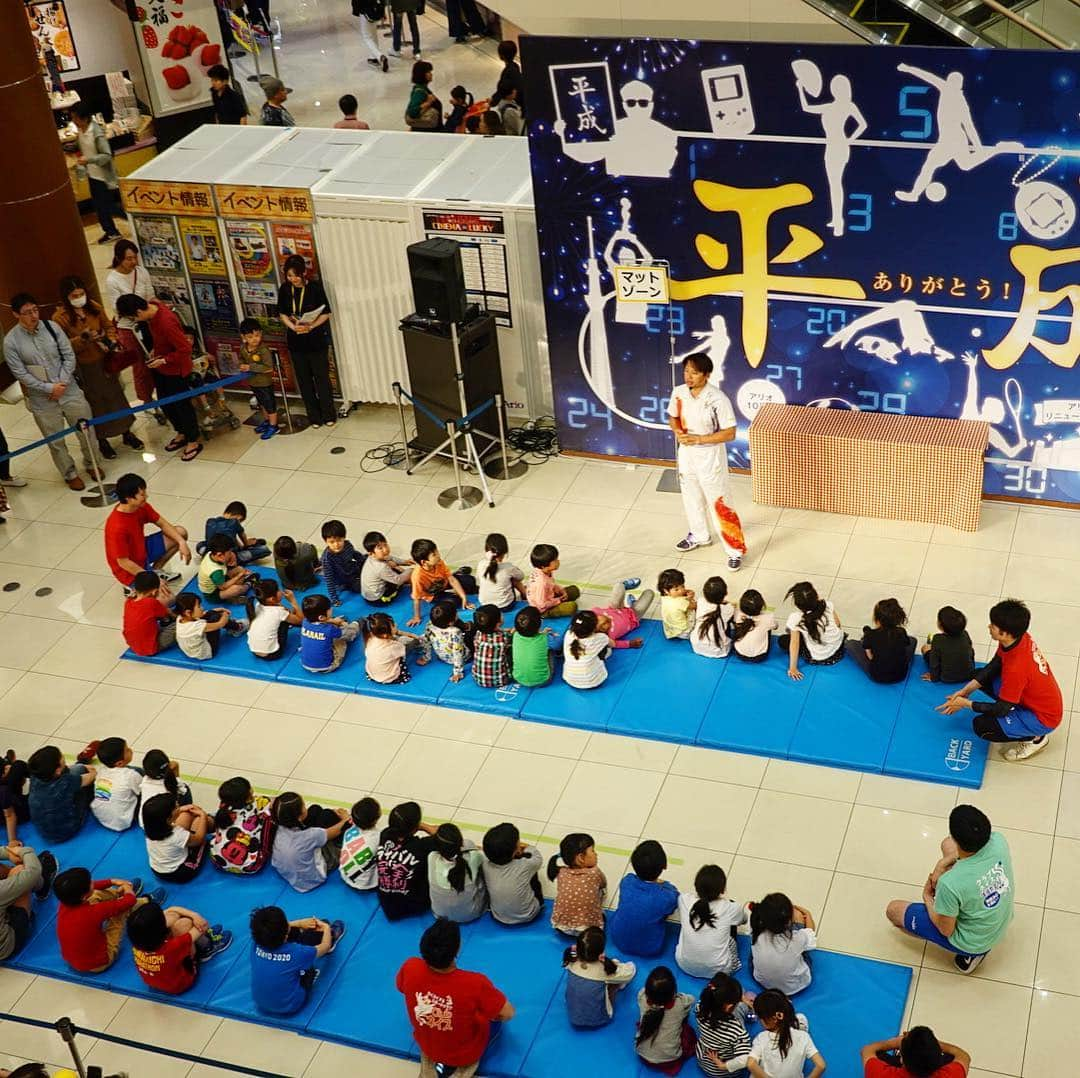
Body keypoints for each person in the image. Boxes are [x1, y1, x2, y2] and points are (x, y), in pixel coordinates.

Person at [886, 804, 1013, 974]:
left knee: (893, 911)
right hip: (1002, 918)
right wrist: (942, 864)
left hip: (975, 941)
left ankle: (973, 954)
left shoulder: (949, 884)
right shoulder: (999, 841)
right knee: (946, 845)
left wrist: (928, 899)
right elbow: (955, 851)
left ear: (956, 837)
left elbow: (946, 929)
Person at [936, 598, 1062, 761]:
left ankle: (1036, 738)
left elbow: (1001, 709)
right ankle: (1018, 717)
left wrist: (965, 704)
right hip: (1031, 696)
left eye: (993, 626)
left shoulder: (1016, 669)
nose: (989, 627)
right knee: (977, 675)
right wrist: (966, 691)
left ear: (1005, 633)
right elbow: (996, 663)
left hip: (1043, 717)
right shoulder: (1018, 638)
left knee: (982, 727)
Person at [3, 292, 98, 490]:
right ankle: (69, 473)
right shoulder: (11, 341)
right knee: (55, 440)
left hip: (69, 389)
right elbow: (20, 373)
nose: (33, 316)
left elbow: (68, 356)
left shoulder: (52, 328)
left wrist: (61, 384)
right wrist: (49, 388)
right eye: (27, 312)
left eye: (35, 310)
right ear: (16, 314)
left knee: (86, 429)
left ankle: (92, 464)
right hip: (42, 398)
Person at [396, 918, 514, 1076]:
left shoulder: (410, 966)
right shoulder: (475, 984)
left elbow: (401, 987)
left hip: (427, 1045)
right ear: (457, 950)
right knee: (494, 1018)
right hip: (464, 1054)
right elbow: (508, 1013)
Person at [667, 354, 745, 567]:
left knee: (719, 501)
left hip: (710, 455)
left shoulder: (717, 399)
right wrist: (677, 432)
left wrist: (700, 439)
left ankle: (734, 550)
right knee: (691, 495)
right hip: (687, 452)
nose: (689, 377)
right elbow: (672, 416)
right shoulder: (679, 393)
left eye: (694, 372)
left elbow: (730, 433)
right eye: (686, 371)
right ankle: (699, 535)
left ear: (707, 375)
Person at [53, 275, 143, 459]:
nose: (79, 297)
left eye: (81, 293)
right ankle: (102, 440)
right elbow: (62, 346)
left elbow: (109, 326)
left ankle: (127, 432)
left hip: (106, 360)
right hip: (85, 367)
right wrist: (83, 339)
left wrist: (110, 338)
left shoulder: (94, 307)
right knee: (96, 403)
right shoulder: (60, 319)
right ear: (67, 297)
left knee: (116, 397)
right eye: (75, 295)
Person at [114, 294, 203, 461]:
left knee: (182, 406)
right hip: (162, 369)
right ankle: (181, 432)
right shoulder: (153, 306)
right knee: (166, 403)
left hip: (176, 370)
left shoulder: (166, 322)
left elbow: (185, 349)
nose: (135, 320)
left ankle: (193, 440)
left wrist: (164, 359)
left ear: (139, 311)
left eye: (134, 316)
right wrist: (157, 351)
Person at [54, 868, 163, 973]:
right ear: (83, 897)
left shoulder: (66, 901)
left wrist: (112, 881)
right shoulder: (94, 912)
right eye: (90, 882)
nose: (93, 882)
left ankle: (120, 893)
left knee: (95, 894)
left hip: (72, 960)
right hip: (99, 963)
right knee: (121, 912)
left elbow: (91, 888)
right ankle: (146, 900)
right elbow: (130, 901)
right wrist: (128, 890)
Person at [250, 905, 346, 1015]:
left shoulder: (256, 943)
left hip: (260, 1002)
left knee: (296, 935)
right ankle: (331, 935)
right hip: (291, 1005)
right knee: (308, 961)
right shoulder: (297, 953)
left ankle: (306, 934)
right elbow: (325, 946)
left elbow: (281, 932)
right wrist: (325, 928)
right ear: (285, 934)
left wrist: (299, 924)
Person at [105, 473, 190, 592]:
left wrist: (181, 542)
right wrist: (150, 579)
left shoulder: (140, 507)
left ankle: (155, 571)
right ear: (129, 498)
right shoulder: (117, 527)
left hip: (142, 550)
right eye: (142, 494)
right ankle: (133, 586)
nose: (146, 496)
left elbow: (162, 523)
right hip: (128, 569)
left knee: (180, 533)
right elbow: (123, 562)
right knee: (164, 600)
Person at [127, 899, 232, 994]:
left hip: (154, 981)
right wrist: (195, 916)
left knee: (172, 916)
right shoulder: (173, 947)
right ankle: (206, 947)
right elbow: (203, 925)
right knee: (185, 923)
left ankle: (199, 941)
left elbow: (171, 910)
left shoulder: (138, 940)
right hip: (181, 983)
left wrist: (190, 915)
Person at [277, 254, 334, 427]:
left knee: (322, 378)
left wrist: (312, 326)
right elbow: (282, 313)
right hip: (296, 341)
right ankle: (314, 417)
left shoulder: (315, 288)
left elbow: (326, 313)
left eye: (295, 275)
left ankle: (328, 415)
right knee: (304, 380)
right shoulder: (285, 289)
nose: (292, 279)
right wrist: (293, 327)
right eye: (289, 276)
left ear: (303, 273)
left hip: (316, 340)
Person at [104, 240, 158, 413]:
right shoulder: (113, 280)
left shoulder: (141, 272)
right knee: (140, 365)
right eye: (128, 258)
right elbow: (116, 307)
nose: (133, 262)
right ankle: (146, 399)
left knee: (154, 358)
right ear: (119, 258)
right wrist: (136, 312)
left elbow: (150, 294)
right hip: (128, 328)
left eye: (135, 258)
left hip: (147, 322)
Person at [675, 863, 746, 979]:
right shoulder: (730, 908)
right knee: (731, 926)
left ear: (696, 886)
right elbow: (744, 920)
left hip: (684, 964)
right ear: (722, 890)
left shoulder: (684, 900)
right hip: (720, 972)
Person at [609, 840, 678, 958]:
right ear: (664, 866)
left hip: (617, 939)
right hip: (650, 948)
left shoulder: (627, 881)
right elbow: (675, 896)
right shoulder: (665, 897)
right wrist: (664, 884)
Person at [271, 792, 349, 893]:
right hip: (313, 878)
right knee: (328, 816)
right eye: (303, 805)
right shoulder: (311, 835)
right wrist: (346, 818)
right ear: (299, 816)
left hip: (286, 871)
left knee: (315, 809)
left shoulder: (278, 824)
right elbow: (339, 829)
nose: (305, 807)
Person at [69, 102, 124, 243]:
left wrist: (89, 160)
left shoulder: (96, 133)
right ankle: (111, 232)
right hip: (93, 175)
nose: (73, 121)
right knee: (100, 207)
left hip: (104, 177)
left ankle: (127, 222)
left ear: (85, 118)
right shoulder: (82, 131)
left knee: (111, 207)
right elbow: (80, 144)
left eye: (75, 118)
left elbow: (106, 155)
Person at [563, 925, 635, 1028]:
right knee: (616, 981)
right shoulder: (602, 969)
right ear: (601, 952)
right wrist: (624, 966)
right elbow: (629, 974)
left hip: (572, 1015)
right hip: (598, 1019)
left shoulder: (571, 959)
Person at [377, 800, 439, 920]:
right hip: (414, 904)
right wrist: (423, 826)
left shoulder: (385, 835)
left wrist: (415, 826)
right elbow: (443, 836)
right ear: (415, 828)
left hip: (386, 901)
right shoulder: (423, 846)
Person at [750, 893, 817, 995]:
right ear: (788, 922)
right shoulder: (796, 940)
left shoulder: (756, 930)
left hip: (763, 983)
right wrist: (808, 914)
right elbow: (811, 933)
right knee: (804, 944)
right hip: (794, 986)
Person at [748, 990, 825, 1078]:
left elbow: (751, 1064)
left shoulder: (761, 1038)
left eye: (760, 1018)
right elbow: (821, 1065)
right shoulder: (803, 1037)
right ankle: (796, 1024)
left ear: (772, 1019)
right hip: (796, 1034)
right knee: (800, 1019)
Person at [635, 966, 697, 1074]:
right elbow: (692, 999)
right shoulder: (680, 1004)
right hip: (669, 1060)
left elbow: (644, 992)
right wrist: (678, 996)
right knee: (689, 1033)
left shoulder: (642, 997)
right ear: (674, 992)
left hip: (642, 1054)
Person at [27, 746, 95, 843]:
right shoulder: (66, 782)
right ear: (57, 770)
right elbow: (90, 777)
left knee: (77, 771)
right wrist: (93, 770)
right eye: (61, 756)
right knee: (83, 778)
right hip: (67, 830)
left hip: (44, 832)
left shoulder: (35, 775)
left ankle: (81, 763)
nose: (63, 757)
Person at [779, 581, 845, 680]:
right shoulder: (827, 604)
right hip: (838, 649)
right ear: (817, 596)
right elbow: (838, 624)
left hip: (819, 657)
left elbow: (794, 644)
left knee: (783, 640)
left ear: (797, 605)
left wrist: (793, 668)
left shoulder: (795, 618)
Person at [1, 842, 54, 962]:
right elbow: (32, 873)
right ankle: (43, 885)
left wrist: (8, 852)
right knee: (20, 871)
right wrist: (23, 851)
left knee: (15, 875)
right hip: (7, 946)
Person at [481, 821, 543, 926]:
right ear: (515, 850)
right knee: (529, 862)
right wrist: (526, 847)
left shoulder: (484, 864)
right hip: (529, 915)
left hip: (498, 916)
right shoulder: (524, 865)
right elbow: (537, 858)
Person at [209, 777, 274, 874]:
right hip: (250, 866)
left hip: (217, 859)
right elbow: (275, 802)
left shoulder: (224, 806)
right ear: (249, 796)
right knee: (270, 820)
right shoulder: (260, 803)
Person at [695, 973, 755, 1077]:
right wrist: (723, 1066)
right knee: (741, 1009)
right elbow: (745, 1059)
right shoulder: (737, 1030)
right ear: (729, 1006)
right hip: (723, 1071)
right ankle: (750, 1010)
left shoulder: (699, 1008)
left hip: (705, 1060)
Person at [847, 597, 918, 684]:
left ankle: (863, 640)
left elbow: (870, 657)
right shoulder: (901, 632)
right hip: (901, 675)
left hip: (878, 676)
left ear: (877, 619)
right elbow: (906, 644)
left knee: (850, 644)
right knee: (913, 640)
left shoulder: (871, 635)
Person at [142, 794, 211, 882]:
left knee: (186, 815)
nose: (179, 807)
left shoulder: (151, 827)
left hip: (157, 870)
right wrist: (203, 816)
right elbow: (199, 839)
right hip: (179, 872)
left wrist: (182, 809)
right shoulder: (176, 835)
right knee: (203, 841)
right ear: (168, 819)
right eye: (176, 807)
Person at [407, 538, 475, 626]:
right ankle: (457, 579)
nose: (439, 555)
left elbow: (452, 580)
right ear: (424, 562)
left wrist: (463, 597)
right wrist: (417, 616)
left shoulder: (438, 562)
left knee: (470, 581)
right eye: (434, 554)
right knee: (453, 603)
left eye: (437, 551)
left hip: (445, 583)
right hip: (434, 594)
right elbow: (416, 599)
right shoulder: (417, 576)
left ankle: (458, 573)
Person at [548, 832, 605, 935]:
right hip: (586, 929)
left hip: (561, 926)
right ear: (580, 858)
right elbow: (603, 884)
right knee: (601, 891)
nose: (596, 854)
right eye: (592, 851)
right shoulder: (594, 872)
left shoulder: (561, 872)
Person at [428, 822, 487, 923]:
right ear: (460, 843)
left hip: (439, 914)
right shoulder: (474, 857)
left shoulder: (432, 857)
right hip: (470, 915)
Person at [861, 1027, 971, 1077]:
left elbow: (867, 1050)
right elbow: (963, 1056)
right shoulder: (953, 1075)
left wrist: (896, 1042)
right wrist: (933, 1044)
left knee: (878, 1053)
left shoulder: (879, 1074)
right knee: (951, 1056)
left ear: (902, 1059)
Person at [88, 737, 143, 831]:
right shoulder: (131, 775)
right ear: (120, 763)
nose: (130, 750)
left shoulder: (101, 771)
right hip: (123, 821)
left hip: (100, 815)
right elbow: (143, 791)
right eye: (127, 750)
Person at [238, 318, 279, 439]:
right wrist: (241, 365)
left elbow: (268, 367)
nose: (254, 339)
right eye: (250, 337)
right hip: (253, 382)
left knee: (269, 404)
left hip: (264, 382)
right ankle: (266, 421)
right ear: (244, 337)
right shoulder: (243, 348)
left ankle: (274, 425)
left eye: (257, 335)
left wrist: (250, 367)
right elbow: (241, 358)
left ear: (261, 334)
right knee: (261, 403)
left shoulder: (263, 350)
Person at [300, 593, 361, 674]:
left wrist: (332, 621)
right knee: (342, 639)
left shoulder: (305, 622)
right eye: (329, 609)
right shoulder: (329, 629)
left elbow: (321, 622)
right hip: (327, 666)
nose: (331, 609)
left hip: (305, 664)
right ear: (321, 617)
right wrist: (355, 624)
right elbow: (348, 635)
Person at [175, 592, 248, 660]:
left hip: (190, 651)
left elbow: (203, 614)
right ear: (188, 612)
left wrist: (216, 610)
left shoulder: (181, 617)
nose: (202, 608)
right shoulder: (196, 626)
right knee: (216, 617)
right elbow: (220, 624)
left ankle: (231, 625)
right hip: (206, 652)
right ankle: (238, 627)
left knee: (212, 614)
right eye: (199, 606)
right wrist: (225, 615)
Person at [122, 570, 177, 656]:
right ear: (155, 591)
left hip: (133, 645)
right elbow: (168, 614)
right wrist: (181, 617)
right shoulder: (151, 603)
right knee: (180, 625)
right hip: (150, 648)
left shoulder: (128, 602)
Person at [363, 611, 428, 684]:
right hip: (390, 677)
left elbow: (394, 634)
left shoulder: (370, 638)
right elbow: (403, 649)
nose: (396, 624)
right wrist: (415, 639)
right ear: (385, 634)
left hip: (373, 674)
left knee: (397, 638)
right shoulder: (393, 646)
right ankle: (419, 645)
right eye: (393, 625)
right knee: (406, 640)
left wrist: (406, 633)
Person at [247, 578, 303, 661]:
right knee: (286, 620)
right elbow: (301, 620)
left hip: (254, 651)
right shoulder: (279, 612)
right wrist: (293, 601)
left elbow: (283, 610)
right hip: (272, 654)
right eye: (278, 590)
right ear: (272, 599)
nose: (281, 591)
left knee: (285, 616)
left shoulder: (258, 604)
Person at [201, 501, 270, 565]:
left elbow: (226, 535)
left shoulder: (210, 521)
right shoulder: (234, 522)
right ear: (239, 517)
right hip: (227, 558)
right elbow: (242, 536)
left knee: (200, 545)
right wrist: (246, 544)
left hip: (210, 555)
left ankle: (203, 553)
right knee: (264, 549)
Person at [921, 605, 975, 684]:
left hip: (947, 678)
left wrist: (934, 677)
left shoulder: (937, 639)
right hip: (969, 674)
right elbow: (971, 653)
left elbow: (934, 663)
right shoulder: (965, 634)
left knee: (925, 648)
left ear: (940, 625)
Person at [424, 598, 474, 682]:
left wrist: (426, 657)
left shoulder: (429, 624)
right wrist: (457, 672)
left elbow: (426, 640)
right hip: (464, 657)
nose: (457, 613)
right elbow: (457, 652)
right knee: (472, 628)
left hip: (441, 657)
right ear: (450, 622)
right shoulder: (455, 632)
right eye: (456, 613)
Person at [196, 535, 255, 604]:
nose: (231, 554)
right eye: (229, 553)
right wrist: (240, 575)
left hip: (219, 580)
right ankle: (249, 584)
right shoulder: (215, 571)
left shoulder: (211, 553)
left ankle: (234, 592)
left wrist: (233, 557)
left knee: (239, 569)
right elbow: (223, 587)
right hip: (214, 593)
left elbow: (227, 565)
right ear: (220, 555)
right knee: (237, 589)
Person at [526, 543, 580, 617]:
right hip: (542, 609)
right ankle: (546, 615)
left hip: (549, 596)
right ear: (543, 566)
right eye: (554, 560)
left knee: (574, 590)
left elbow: (551, 584)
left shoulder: (545, 571)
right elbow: (541, 605)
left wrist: (561, 590)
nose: (558, 561)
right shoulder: (541, 583)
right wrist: (558, 600)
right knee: (572, 606)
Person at [339, 796, 381, 891]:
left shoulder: (349, 830)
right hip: (366, 884)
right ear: (376, 818)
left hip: (345, 875)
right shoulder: (378, 837)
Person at [563, 610, 612, 690]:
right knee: (609, 651)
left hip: (570, 679)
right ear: (595, 628)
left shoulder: (568, 634)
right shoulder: (600, 637)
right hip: (594, 681)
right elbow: (612, 644)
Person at [360, 529, 414, 603]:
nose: (385, 549)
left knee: (395, 568)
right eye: (380, 548)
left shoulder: (373, 557)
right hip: (377, 599)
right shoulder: (380, 567)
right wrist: (410, 570)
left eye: (385, 545)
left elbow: (390, 558)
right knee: (400, 578)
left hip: (369, 593)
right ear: (371, 553)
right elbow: (398, 580)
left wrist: (405, 562)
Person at [320, 519, 365, 605]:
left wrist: (364, 561)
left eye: (339, 540)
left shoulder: (347, 544)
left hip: (353, 569)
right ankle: (346, 586)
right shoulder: (327, 559)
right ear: (326, 541)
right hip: (344, 579)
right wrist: (334, 599)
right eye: (332, 542)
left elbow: (355, 554)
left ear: (344, 537)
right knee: (361, 587)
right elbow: (329, 580)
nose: (336, 544)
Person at [477, 532, 526, 610]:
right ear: (505, 552)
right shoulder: (508, 567)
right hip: (505, 606)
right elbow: (521, 576)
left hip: (485, 604)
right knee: (514, 579)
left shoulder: (481, 564)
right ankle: (526, 596)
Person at [511, 605, 557, 687]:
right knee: (551, 652)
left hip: (518, 679)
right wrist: (545, 632)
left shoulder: (515, 636)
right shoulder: (544, 638)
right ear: (540, 625)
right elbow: (551, 641)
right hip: (543, 681)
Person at [692, 576, 735, 658]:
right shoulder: (728, 608)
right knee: (728, 621)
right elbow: (726, 609)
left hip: (696, 646)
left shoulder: (700, 601)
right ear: (726, 593)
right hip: (719, 652)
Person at [471, 604, 512, 688]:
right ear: (498, 624)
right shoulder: (503, 638)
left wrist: (502, 630)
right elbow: (507, 638)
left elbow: (495, 633)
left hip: (478, 679)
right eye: (500, 614)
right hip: (502, 680)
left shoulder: (478, 634)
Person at [732, 589, 778, 662]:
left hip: (739, 653)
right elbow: (776, 627)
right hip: (760, 656)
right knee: (769, 627)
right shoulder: (768, 617)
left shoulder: (736, 614)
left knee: (738, 624)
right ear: (762, 606)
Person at [0, 752, 30, 847]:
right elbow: (9, 816)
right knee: (19, 765)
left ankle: (8, 762)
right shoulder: (3, 791)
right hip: (16, 813)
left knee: (17, 767)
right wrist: (12, 840)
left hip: (7, 799)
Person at [351, 0, 389, 72]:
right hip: (376, 10)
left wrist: (356, 11)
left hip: (365, 11)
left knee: (367, 37)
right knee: (373, 33)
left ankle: (380, 56)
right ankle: (374, 57)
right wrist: (383, 12)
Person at [659, 568, 696, 641]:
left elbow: (682, 593)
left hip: (670, 630)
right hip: (683, 633)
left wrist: (686, 592)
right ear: (666, 590)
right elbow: (695, 606)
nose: (681, 591)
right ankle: (692, 631)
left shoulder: (664, 596)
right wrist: (691, 597)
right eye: (676, 589)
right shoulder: (681, 602)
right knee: (694, 610)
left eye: (682, 586)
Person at [490, 40, 525, 113]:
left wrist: (491, 102)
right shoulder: (515, 67)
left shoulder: (508, 72)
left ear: (501, 55)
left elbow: (502, 91)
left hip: (513, 108)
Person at [405, 60, 441, 129]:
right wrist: (428, 103)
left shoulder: (423, 89)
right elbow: (412, 112)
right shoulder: (419, 92)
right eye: (428, 72)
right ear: (421, 74)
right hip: (427, 134)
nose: (431, 74)